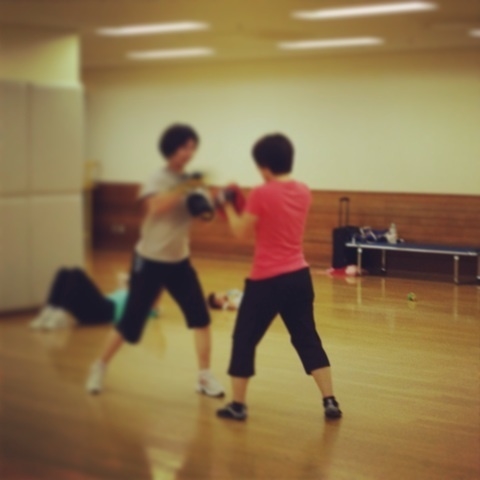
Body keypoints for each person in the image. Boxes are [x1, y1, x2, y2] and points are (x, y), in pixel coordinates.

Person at [85, 124, 224, 397]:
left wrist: (213, 204)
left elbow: (203, 220)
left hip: (179, 261)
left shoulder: (192, 182)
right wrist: (186, 187)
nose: (190, 152)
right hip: (149, 261)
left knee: (201, 318)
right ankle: (98, 367)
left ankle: (204, 377)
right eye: (185, 146)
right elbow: (156, 207)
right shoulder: (157, 178)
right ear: (171, 148)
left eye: (192, 147)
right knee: (130, 323)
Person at [216, 133, 342, 421]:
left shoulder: (261, 193)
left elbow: (240, 232)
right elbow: (273, 219)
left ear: (263, 166)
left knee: (244, 338)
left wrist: (227, 205)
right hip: (299, 277)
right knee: (307, 338)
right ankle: (330, 400)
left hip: (267, 280)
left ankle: (237, 406)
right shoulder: (304, 191)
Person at [29, 268, 158, 331]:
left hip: (105, 312)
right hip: (95, 308)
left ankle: (60, 314)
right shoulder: (124, 291)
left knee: (77, 273)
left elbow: (154, 306)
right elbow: (123, 278)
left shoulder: (144, 304)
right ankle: (50, 310)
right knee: (63, 272)